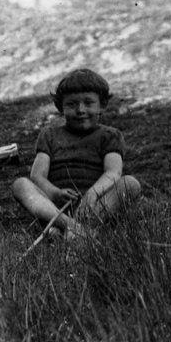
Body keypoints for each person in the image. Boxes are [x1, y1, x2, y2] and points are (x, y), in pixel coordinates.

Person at [11, 69, 141, 239]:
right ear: (61, 108)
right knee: (20, 184)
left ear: (102, 105)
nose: (80, 110)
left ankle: (72, 228)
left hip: (95, 205)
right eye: (71, 104)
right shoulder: (49, 135)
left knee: (130, 183)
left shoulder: (110, 135)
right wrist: (56, 193)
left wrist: (92, 195)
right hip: (56, 207)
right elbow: (37, 176)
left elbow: (113, 172)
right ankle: (71, 227)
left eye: (88, 103)